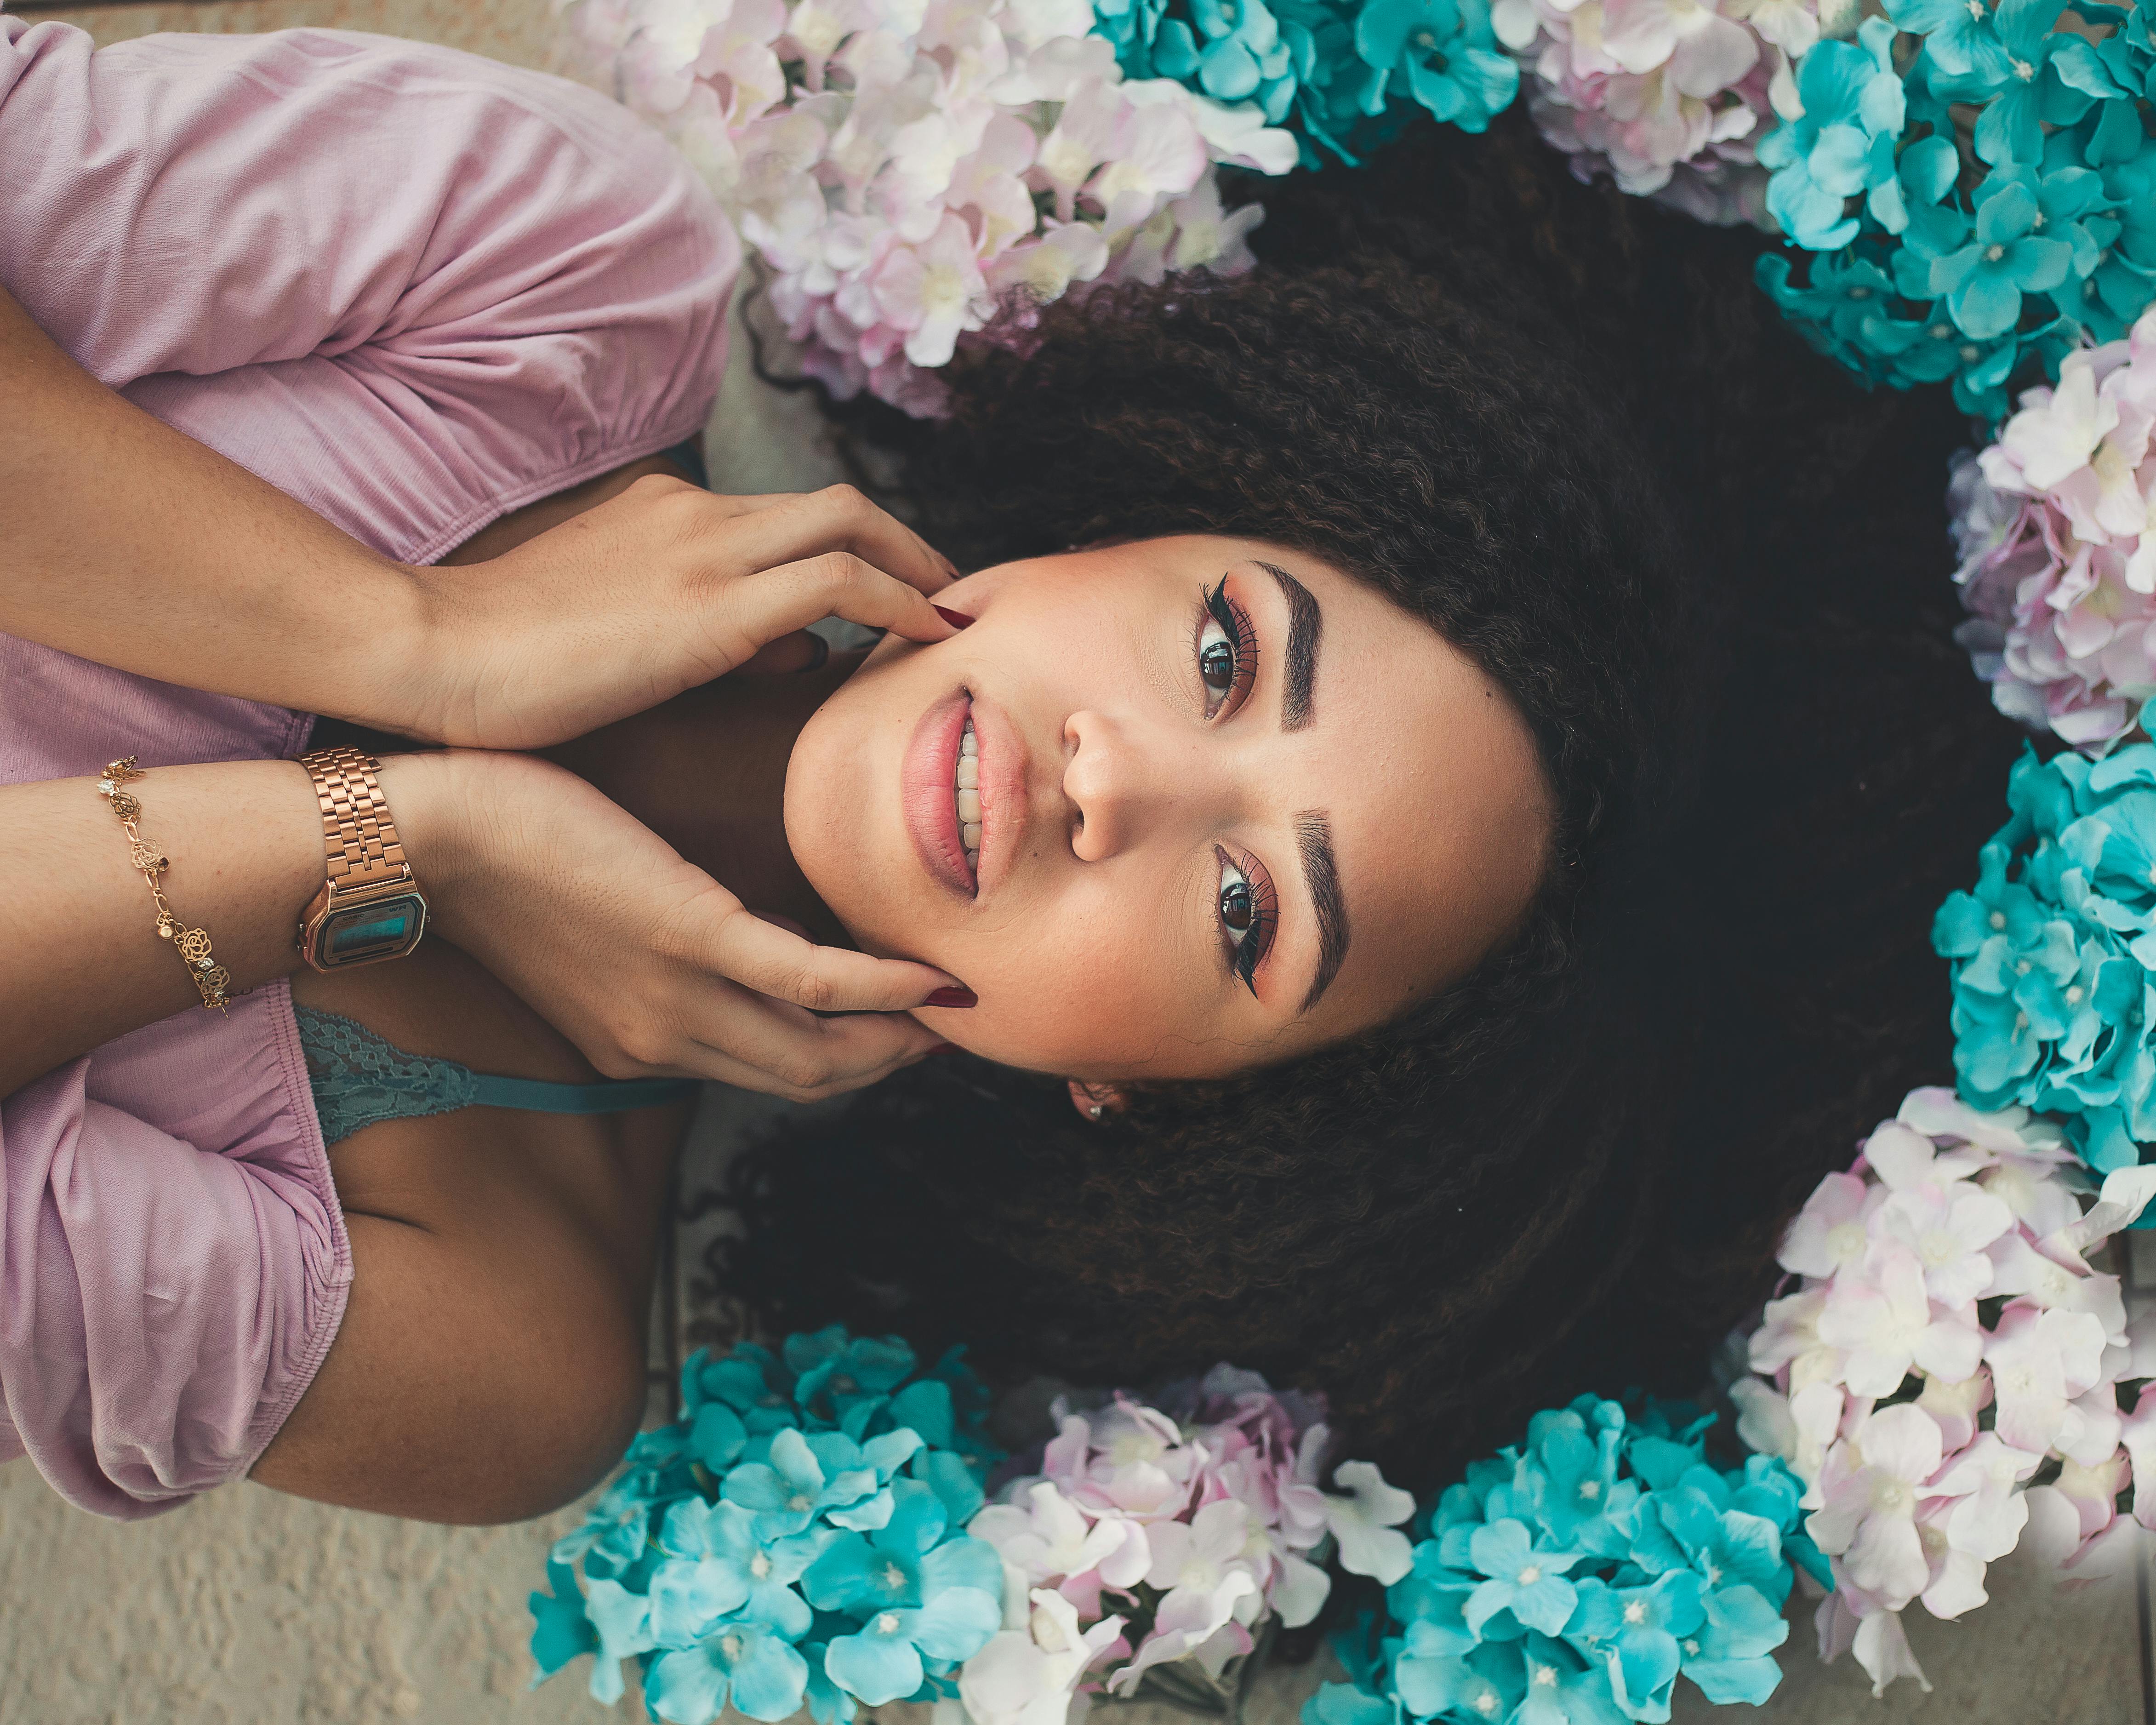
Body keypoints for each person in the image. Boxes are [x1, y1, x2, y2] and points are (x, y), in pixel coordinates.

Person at [0, 16, 2010, 1527]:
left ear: (1139, 1097)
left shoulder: (507, 1349)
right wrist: (397, 645)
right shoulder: (559, 280)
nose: (1112, 782)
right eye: (1224, 646)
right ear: (1141, 516)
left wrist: (409, 832)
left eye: (1247, 910)